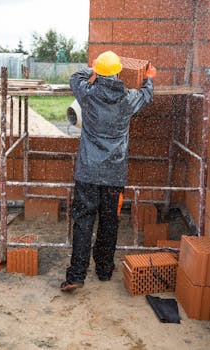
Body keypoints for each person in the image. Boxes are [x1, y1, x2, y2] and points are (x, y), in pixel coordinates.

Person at [60, 50, 156, 291]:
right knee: (109, 221)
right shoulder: (127, 99)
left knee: (82, 222)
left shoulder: (88, 94)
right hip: (114, 175)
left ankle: (76, 276)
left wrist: (91, 69)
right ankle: (103, 269)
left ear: (98, 72)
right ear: (117, 72)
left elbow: (75, 77)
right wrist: (149, 77)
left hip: (88, 173)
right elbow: (147, 94)